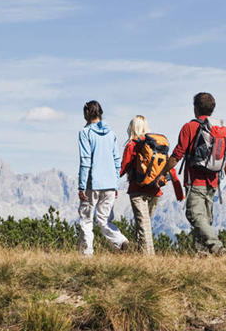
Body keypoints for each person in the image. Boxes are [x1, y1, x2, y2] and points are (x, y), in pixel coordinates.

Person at [163, 92, 226, 255]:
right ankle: (201, 255)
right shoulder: (220, 130)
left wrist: (163, 172)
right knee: (205, 220)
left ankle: (217, 247)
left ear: (195, 108)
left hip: (196, 181)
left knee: (194, 215)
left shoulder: (189, 127)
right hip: (213, 182)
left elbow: (177, 154)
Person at [120, 116, 184, 255]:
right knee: (144, 224)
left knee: (144, 225)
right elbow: (168, 167)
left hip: (137, 190)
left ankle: (149, 258)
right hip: (155, 191)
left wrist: (111, 182)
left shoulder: (133, 144)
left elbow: (123, 167)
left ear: (132, 128)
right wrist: (178, 190)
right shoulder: (156, 146)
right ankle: (140, 255)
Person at [77, 100, 129, 256]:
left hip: (92, 183)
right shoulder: (111, 134)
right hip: (110, 184)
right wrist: (115, 183)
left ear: (87, 113)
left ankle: (86, 254)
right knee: (105, 220)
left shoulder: (85, 133)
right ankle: (120, 241)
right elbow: (116, 161)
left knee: (86, 220)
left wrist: (81, 186)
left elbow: (85, 160)